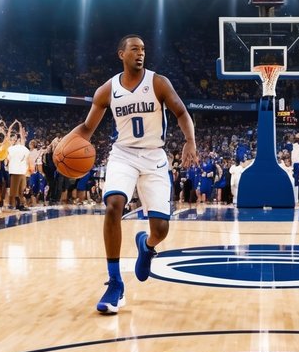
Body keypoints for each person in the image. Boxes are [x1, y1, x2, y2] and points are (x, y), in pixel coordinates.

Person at [62, 34, 198, 315]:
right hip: (122, 154)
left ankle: (146, 246)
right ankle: (115, 283)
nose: (140, 53)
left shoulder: (157, 82)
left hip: (154, 157)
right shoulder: (107, 90)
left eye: (143, 49)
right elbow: (87, 128)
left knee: (160, 230)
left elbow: (182, 112)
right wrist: (63, 142)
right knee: (113, 206)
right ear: (121, 54)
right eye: (134, 49)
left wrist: (190, 141)